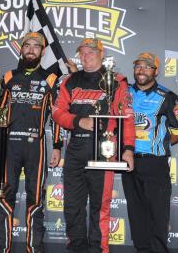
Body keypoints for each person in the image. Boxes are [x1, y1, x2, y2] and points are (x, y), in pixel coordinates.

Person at [52, 38, 135, 253]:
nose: (86, 56)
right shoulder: (70, 81)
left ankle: (99, 250)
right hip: (76, 150)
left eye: (91, 52)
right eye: (83, 52)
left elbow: (126, 117)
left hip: (104, 150)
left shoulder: (116, 80)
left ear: (101, 53)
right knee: (72, 207)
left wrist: (128, 150)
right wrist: (79, 122)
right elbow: (57, 113)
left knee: (100, 208)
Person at [0, 32, 62, 253]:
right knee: (5, 196)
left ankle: (34, 249)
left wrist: (58, 147)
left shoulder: (50, 79)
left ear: (42, 51)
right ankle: (0, 249)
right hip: (9, 147)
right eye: (27, 46)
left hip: (37, 148)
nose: (31, 50)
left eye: (36, 46)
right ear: (21, 49)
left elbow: (58, 117)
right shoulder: (8, 77)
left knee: (35, 200)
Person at [123, 52, 178, 253]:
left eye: (147, 66)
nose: (141, 70)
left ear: (156, 71)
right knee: (136, 213)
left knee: (158, 214)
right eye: (138, 66)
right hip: (129, 161)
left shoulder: (168, 97)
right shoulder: (123, 93)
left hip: (155, 163)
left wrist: (160, 144)